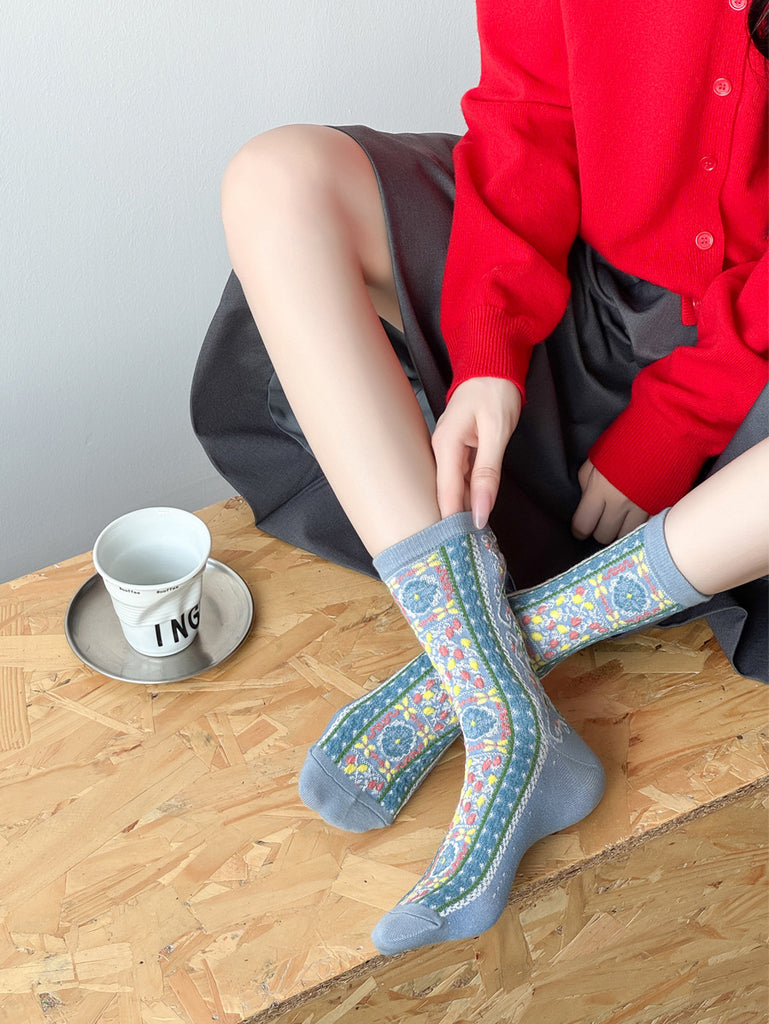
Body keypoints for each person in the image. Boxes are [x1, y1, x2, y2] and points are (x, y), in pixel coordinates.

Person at [191, 2, 768, 952]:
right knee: (276, 177)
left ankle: (506, 651)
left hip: (751, 384)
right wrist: (490, 346)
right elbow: (530, 109)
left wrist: (677, 418)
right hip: (582, 293)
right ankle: (494, 694)